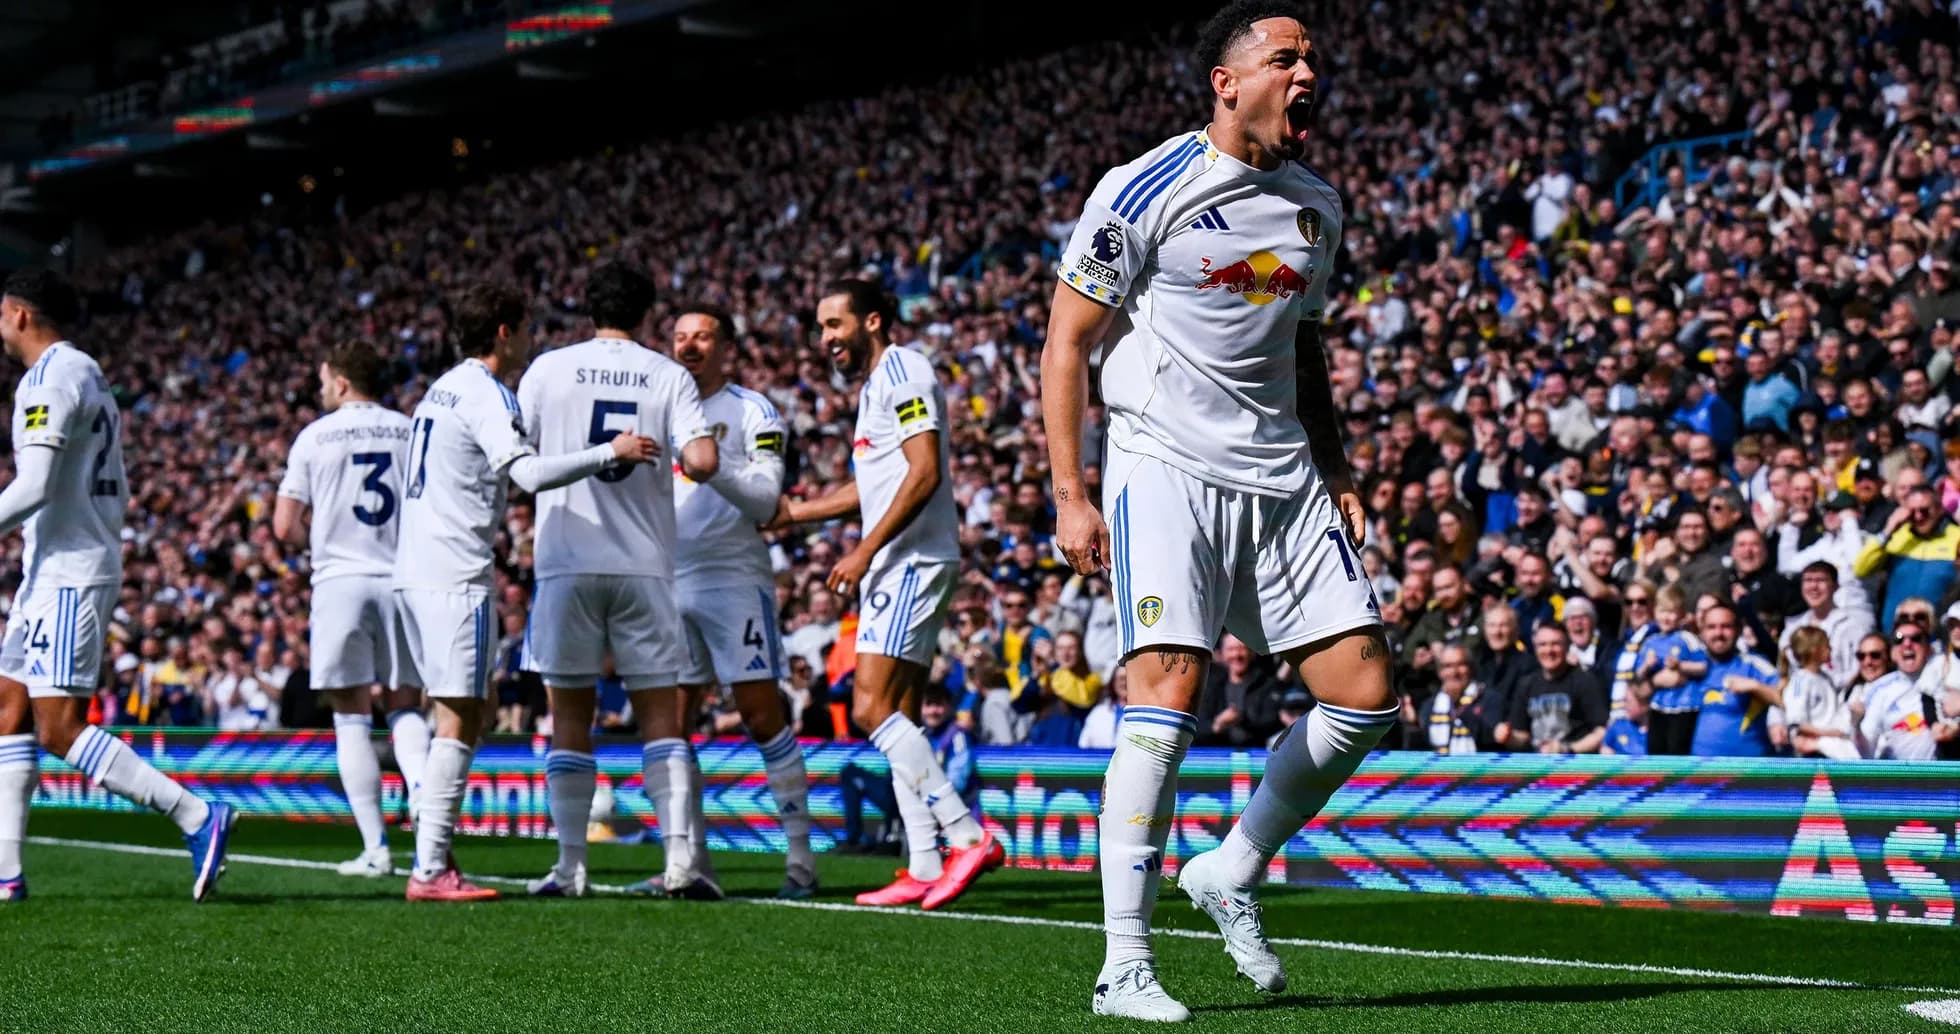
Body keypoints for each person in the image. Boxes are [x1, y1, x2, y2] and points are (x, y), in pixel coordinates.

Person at [1041, 4, 1393, 1018]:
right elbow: (1067, 341)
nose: (1306, 71)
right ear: (1226, 83)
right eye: (1284, 57)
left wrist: (1335, 465)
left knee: (1365, 692)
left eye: (1311, 58)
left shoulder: (1317, 205)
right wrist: (1070, 493)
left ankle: (1230, 867)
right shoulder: (1144, 186)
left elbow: (1304, 343)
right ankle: (1123, 963)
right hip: (1163, 464)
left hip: (1282, 473)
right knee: (1168, 694)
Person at [393, 282, 660, 902]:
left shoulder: (440, 389)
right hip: (455, 574)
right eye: (528, 326)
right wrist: (609, 451)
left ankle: (433, 846)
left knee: (464, 709)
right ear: (504, 331)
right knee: (461, 716)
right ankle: (429, 870)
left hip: (413, 567)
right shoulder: (486, 393)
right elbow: (529, 474)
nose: (533, 338)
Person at [0, 269, 236, 902]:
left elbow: (35, 485)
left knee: (58, 728)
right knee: (9, 708)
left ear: (20, 315)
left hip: (69, 571)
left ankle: (196, 815)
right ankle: (7, 872)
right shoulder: (87, 372)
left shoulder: (48, 378)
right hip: (52, 568)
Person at [768, 279, 1002, 911]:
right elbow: (878, 483)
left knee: (870, 708)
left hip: (909, 561)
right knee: (900, 714)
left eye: (835, 325)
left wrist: (864, 550)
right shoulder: (878, 385)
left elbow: (924, 472)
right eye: (820, 328)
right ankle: (924, 863)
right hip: (904, 560)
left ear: (872, 321)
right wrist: (800, 513)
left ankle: (967, 835)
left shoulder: (903, 370)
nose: (825, 339)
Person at [513, 263, 719, 900]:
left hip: (566, 561)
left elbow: (518, 458)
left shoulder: (548, 369)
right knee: (661, 717)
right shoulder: (668, 374)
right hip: (644, 565)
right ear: (647, 313)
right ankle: (680, 861)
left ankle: (570, 866)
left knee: (569, 717)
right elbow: (702, 460)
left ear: (588, 309)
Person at [667, 300, 815, 899]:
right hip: (666, 579)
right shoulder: (658, 408)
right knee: (671, 724)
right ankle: (690, 863)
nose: (689, 346)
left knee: (760, 714)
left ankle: (800, 862)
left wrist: (712, 466)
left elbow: (765, 502)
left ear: (726, 348)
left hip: (732, 578)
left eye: (703, 336)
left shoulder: (753, 410)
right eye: (680, 336)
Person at [272, 339, 432, 878]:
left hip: (341, 581)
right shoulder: (410, 430)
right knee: (406, 705)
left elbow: (284, 526)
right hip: (402, 579)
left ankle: (376, 849)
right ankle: (422, 800)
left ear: (341, 382)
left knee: (351, 718)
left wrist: (320, 543)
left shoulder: (314, 436)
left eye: (323, 381)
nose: (320, 390)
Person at [1687, 605, 1782, 757]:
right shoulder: (1690, 666)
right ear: (1702, 632)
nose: (1718, 633)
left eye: (1726, 627)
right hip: (1699, 767)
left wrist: (1755, 686)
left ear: (1738, 630)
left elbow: (1788, 700)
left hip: (1749, 767)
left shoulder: (1754, 665)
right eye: (1711, 627)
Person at [1505, 623, 1609, 754]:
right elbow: (1522, 735)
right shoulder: (1526, 684)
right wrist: (1508, 736)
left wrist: (1568, 749)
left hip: (1574, 763)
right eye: (1542, 644)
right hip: (1537, 763)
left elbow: (1602, 731)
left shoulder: (1586, 680)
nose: (1549, 650)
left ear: (1567, 647)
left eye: (1555, 644)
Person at [1851, 620, 1940, 760]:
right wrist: (1856, 725)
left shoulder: (1945, 680)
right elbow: (1867, 752)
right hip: (1895, 771)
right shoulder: (1880, 690)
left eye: (1915, 638)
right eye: (1899, 639)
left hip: (1941, 770)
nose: (1907, 644)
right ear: (1892, 653)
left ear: (1929, 648)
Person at [1635, 585, 1708, 755]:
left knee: (1677, 750)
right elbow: (1638, 673)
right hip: (1659, 705)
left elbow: (1703, 666)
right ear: (1655, 612)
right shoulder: (1651, 641)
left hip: (1684, 704)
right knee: (1655, 750)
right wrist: (1647, 665)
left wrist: (1681, 666)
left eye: (1671, 612)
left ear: (1681, 614)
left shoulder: (1687, 639)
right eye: (1662, 611)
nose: (1666, 617)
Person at [1782, 626, 1856, 760]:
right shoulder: (1800, 682)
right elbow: (1796, 723)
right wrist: (1829, 733)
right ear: (1814, 650)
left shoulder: (1825, 677)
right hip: (1814, 752)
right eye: (1827, 646)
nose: (1831, 650)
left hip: (1832, 747)